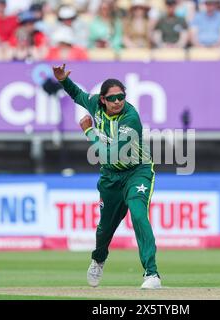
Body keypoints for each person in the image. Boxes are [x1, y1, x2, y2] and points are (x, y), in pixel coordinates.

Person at [52, 64, 161, 289]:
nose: (118, 101)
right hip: (111, 177)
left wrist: (89, 132)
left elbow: (111, 154)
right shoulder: (95, 104)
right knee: (105, 228)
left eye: (121, 96)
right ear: (102, 100)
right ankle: (98, 259)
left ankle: (152, 274)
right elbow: (78, 95)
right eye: (113, 98)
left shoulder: (130, 118)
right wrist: (64, 80)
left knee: (139, 215)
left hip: (136, 172)